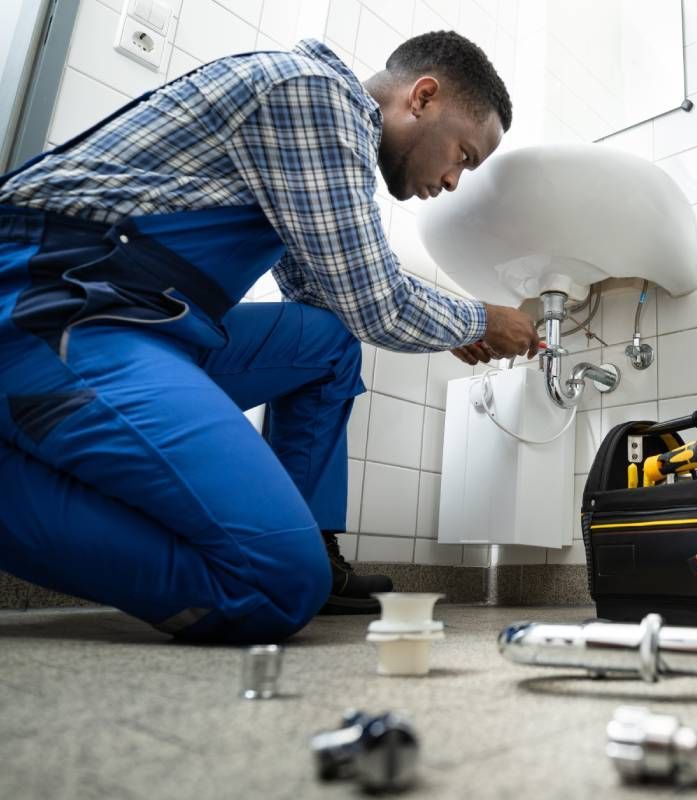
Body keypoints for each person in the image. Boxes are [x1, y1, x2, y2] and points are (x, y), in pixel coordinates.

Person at [0, 31, 538, 642]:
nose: (452, 181)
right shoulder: (318, 96)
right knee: (276, 585)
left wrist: (440, 325)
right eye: (463, 155)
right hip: (48, 304)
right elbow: (374, 300)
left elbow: (328, 300)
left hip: (147, 317)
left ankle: (312, 543)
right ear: (422, 98)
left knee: (328, 343)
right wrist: (483, 319)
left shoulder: (316, 122)